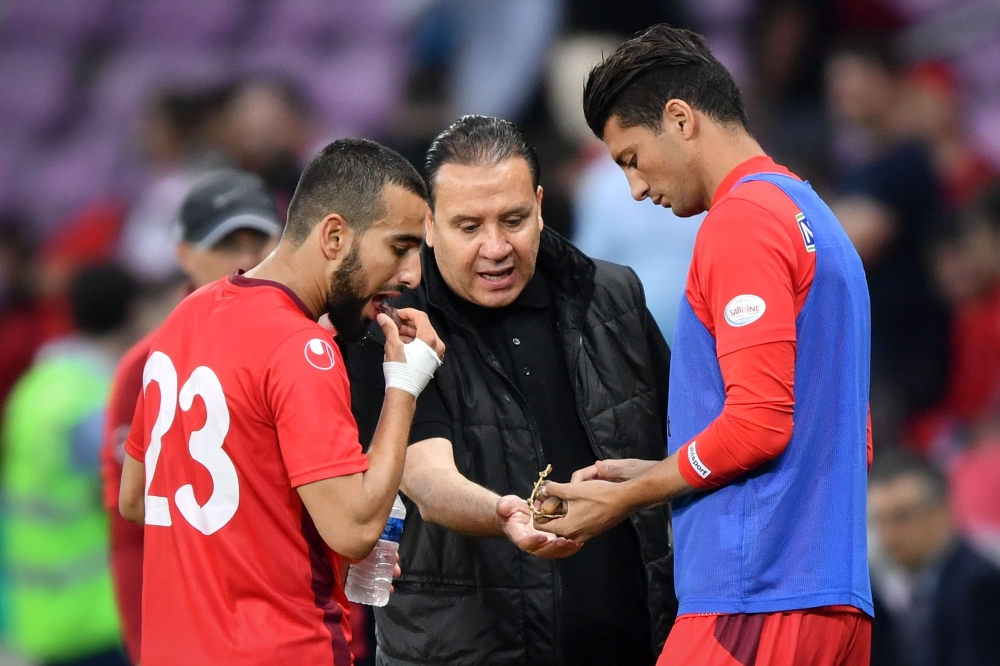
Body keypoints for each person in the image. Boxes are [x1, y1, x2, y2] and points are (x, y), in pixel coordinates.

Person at [536, 24, 874, 665]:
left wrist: (628, 496)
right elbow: (843, 436)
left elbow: (759, 427)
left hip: (755, 600)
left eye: (631, 158)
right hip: (828, 598)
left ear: (681, 119)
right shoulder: (814, 216)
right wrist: (665, 473)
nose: (635, 189)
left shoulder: (741, 223)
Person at [342, 115, 675, 666]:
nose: (496, 248)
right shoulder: (387, 324)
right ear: (428, 223)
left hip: (637, 646)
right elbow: (424, 477)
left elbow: (685, 447)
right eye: (468, 227)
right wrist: (506, 514)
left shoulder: (615, 297)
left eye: (514, 220)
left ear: (541, 204)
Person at [117, 139, 446, 665]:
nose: (412, 276)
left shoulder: (186, 316)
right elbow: (356, 530)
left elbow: (136, 498)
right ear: (334, 235)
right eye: (400, 247)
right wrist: (404, 385)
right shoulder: (302, 348)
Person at [100, 168, 282, 664]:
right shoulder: (145, 368)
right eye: (225, 244)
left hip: (297, 633)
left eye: (258, 239)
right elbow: (132, 529)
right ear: (182, 254)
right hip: (194, 635)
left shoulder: (317, 349)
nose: (245, 260)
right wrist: (145, 646)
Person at [2, 263, 140, 666]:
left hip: (41, 617)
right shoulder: (96, 404)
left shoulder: (35, 387)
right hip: (97, 619)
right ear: (132, 314)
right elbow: (131, 502)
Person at [868, 451, 1000, 666]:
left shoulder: (980, 586)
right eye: (879, 521)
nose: (888, 535)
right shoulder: (883, 594)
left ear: (941, 512)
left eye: (901, 516)